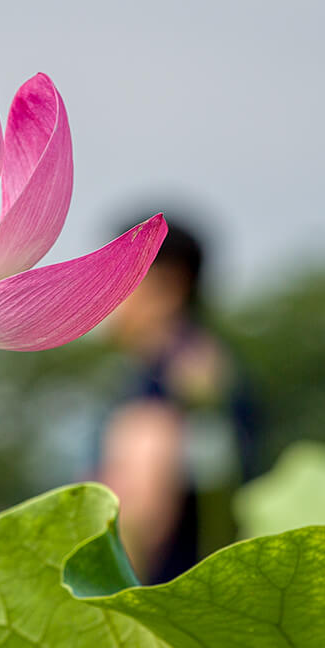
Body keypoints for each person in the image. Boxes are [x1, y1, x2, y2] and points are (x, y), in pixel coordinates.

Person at [98, 216, 256, 583]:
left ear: (169, 286)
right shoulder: (209, 360)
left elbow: (142, 509)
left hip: (164, 596)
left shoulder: (177, 376)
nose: (102, 289)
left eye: (115, 271)